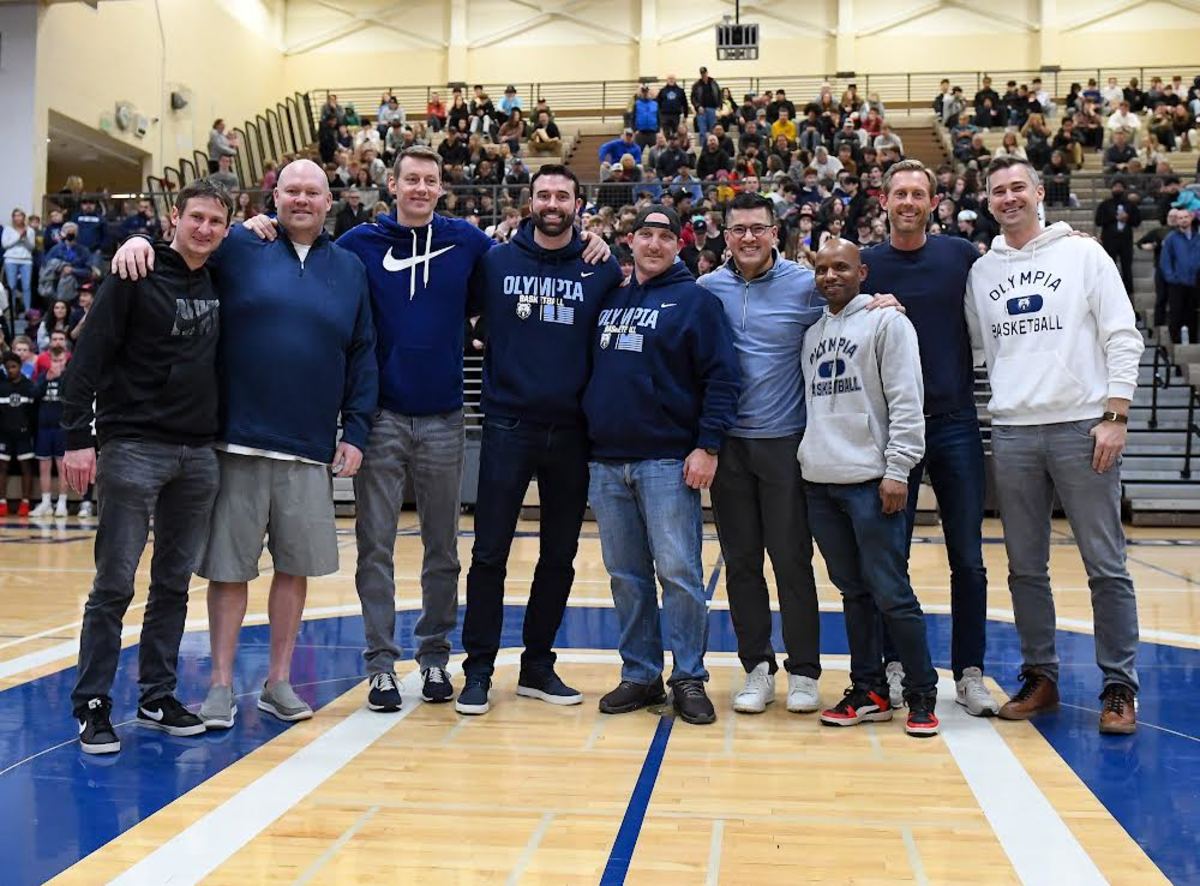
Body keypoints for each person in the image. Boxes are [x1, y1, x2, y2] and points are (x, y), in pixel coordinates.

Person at [111, 160, 378, 729]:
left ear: (331, 201)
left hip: (309, 448)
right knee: (229, 570)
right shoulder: (237, 245)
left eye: (313, 192)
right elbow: (185, 247)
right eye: (292, 191)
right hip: (235, 441)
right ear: (273, 197)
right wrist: (139, 239)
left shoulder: (351, 268)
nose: (302, 200)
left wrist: (355, 430)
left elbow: (362, 353)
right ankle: (220, 685)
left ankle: (279, 682)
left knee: (294, 569)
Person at [965, 155, 1144, 734]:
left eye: (1019, 187)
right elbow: (971, 345)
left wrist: (1115, 412)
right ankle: (1040, 677)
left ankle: (1118, 686)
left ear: (1040, 192)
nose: (1009, 197)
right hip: (1013, 431)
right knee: (1024, 567)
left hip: (1082, 426)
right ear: (988, 201)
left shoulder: (1084, 254)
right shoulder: (982, 272)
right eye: (998, 191)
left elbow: (1123, 334)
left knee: (1105, 564)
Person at [61, 180, 233, 754]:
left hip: (198, 453)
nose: (204, 229)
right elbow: (85, 360)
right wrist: (77, 439)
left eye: (216, 221)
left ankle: (156, 694)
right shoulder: (133, 272)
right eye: (196, 218)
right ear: (173, 221)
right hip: (133, 445)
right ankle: (92, 705)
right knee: (113, 585)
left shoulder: (220, 274)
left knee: (173, 584)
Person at [456, 166, 624, 715]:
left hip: (574, 432)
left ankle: (536, 664)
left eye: (563, 195)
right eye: (544, 194)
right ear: (529, 202)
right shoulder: (495, 261)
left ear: (579, 204)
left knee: (560, 554)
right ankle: (478, 669)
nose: (553, 203)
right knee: (488, 553)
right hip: (507, 424)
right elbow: (456, 314)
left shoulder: (600, 267)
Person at [584, 205, 741, 726]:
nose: (653, 244)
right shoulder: (610, 298)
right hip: (607, 462)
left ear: (680, 244)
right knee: (626, 577)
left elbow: (723, 378)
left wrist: (708, 445)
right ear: (630, 240)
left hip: (667, 460)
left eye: (664, 236)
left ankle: (689, 675)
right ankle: (640, 674)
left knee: (679, 573)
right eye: (645, 234)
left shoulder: (697, 301)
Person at [861, 159, 997, 716]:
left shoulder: (962, 255)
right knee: (890, 558)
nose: (909, 201)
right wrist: (869, 307)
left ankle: (969, 672)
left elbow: (1014, 266)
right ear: (885, 201)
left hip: (957, 424)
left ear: (934, 201)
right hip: (894, 433)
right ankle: (894, 665)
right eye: (900, 193)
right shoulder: (865, 265)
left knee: (967, 557)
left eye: (919, 193)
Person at [800, 239, 939, 738]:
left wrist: (899, 469)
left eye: (841, 267)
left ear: (863, 271)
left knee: (891, 593)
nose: (831, 276)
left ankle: (922, 693)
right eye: (822, 269)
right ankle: (870, 690)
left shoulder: (888, 323)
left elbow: (907, 400)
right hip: (820, 482)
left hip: (872, 482)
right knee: (852, 593)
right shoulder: (813, 332)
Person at [698, 192, 829, 715]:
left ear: (776, 232)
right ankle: (756, 667)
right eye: (738, 230)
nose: (748, 237)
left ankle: (804, 671)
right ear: (725, 236)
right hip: (729, 446)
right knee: (742, 563)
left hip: (786, 444)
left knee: (792, 560)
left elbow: (846, 308)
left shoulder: (804, 283)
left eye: (758, 228)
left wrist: (878, 301)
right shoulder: (707, 290)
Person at [30, 344, 69, 517]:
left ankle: (62, 502)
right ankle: (46, 502)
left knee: (62, 466)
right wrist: (46, 379)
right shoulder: (41, 377)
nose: (56, 364)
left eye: (60, 361)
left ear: (65, 361)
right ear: (49, 361)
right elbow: (34, 394)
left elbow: (70, 397)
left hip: (61, 428)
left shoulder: (69, 378)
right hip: (44, 429)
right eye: (54, 361)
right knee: (44, 466)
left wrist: (60, 379)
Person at [0, 351, 36, 516]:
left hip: (23, 433)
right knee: (2, 467)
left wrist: (29, 429)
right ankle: (2, 503)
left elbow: (33, 413)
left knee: (26, 467)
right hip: (4, 434)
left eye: (13, 367)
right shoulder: (2, 387)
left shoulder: (29, 387)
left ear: (20, 367)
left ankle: (25, 502)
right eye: (8, 368)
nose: (11, 370)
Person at [1095, 179, 1142, 296]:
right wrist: (1115, 217)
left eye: (1120, 186)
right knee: (1109, 266)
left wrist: (1128, 218)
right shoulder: (1105, 204)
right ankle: (1109, 291)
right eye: (1115, 186)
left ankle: (1128, 293)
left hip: (1126, 240)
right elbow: (1098, 221)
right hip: (1109, 240)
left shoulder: (1130, 205)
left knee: (1127, 267)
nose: (1117, 189)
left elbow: (1137, 221)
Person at [1161, 207, 1200, 343]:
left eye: (1186, 217)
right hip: (1177, 284)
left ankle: (1194, 343)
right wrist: (1172, 278)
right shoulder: (1171, 238)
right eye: (1180, 218)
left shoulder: (1198, 237)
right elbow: (1165, 260)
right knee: (1176, 314)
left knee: (1193, 315)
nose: (1183, 220)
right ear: (1176, 221)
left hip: (1195, 283)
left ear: (1191, 218)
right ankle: (1175, 345)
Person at [691, 66, 721, 139]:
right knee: (702, 131)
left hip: (712, 109)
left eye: (704, 73)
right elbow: (693, 98)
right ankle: (702, 148)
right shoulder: (696, 85)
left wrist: (719, 107)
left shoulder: (714, 83)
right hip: (701, 111)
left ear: (707, 73)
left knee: (713, 131)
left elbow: (719, 95)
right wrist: (698, 106)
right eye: (702, 74)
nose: (703, 75)